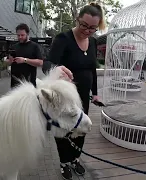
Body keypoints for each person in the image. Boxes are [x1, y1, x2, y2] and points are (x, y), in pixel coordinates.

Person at [42, 2, 105, 180]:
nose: (87, 30)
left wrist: (96, 92)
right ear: (77, 19)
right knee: (63, 131)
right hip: (65, 99)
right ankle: (64, 162)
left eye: (92, 28)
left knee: (82, 128)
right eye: (84, 25)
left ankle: (75, 158)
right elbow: (47, 64)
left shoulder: (92, 42)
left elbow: (92, 70)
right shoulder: (63, 39)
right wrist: (58, 68)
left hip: (84, 97)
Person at [5, 23, 73, 88]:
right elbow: (7, 61)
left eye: (22, 35)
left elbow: (40, 62)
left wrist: (25, 60)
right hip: (15, 83)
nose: (20, 37)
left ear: (27, 34)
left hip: (29, 83)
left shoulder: (34, 46)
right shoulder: (14, 46)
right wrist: (9, 61)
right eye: (18, 35)